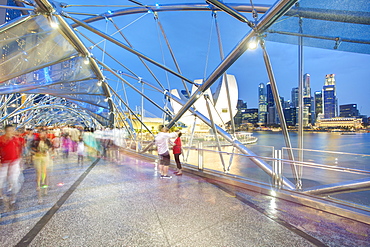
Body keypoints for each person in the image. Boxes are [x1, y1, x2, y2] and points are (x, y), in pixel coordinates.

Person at [0, 125, 24, 205]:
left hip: (14, 162)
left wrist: (20, 161)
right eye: (9, 130)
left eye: (12, 130)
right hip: (4, 162)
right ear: (5, 131)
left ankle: (13, 197)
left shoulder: (16, 139)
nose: (11, 132)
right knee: (1, 179)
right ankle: (1, 195)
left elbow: (19, 150)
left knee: (14, 179)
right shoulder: (1, 139)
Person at [31, 130, 52, 203]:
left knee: (45, 171)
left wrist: (47, 151)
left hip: (45, 157)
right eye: (41, 134)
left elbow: (50, 147)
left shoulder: (47, 141)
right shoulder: (35, 141)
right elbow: (32, 148)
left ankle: (45, 185)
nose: (42, 135)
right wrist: (36, 151)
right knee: (38, 172)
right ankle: (38, 185)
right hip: (37, 157)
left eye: (44, 133)